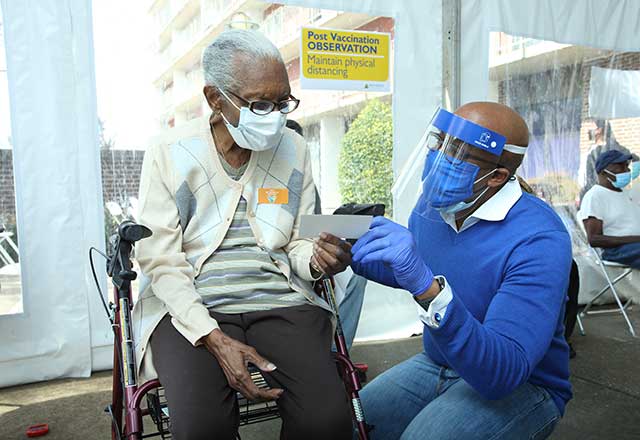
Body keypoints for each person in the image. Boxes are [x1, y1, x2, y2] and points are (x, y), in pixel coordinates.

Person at [133, 30, 354, 440]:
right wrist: (212, 336)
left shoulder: (293, 147)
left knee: (328, 422)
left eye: (283, 102)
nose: (275, 116)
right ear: (215, 99)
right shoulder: (170, 151)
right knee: (202, 430)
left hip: (280, 299)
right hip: (190, 309)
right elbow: (160, 259)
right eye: (260, 104)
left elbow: (298, 242)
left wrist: (319, 260)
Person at [351, 102, 572, 439]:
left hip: (524, 385)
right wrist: (346, 253)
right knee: (346, 423)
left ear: (497, 176)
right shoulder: (434, 206)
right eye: (441, 142)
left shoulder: (539, 238)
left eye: (457, 152)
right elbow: (411, 271)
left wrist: (428, 289)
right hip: (440, 362)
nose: (440, 158)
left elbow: (502, 372)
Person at [578, 150, 640, 269]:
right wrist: (636, 239)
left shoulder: (628, 194)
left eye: (626, 166)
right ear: (603, 172)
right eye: (619, 167)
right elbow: (594, 239)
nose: (627, 171)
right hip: (616, 251)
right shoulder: (595, 196)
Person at [579, 119, 631, 199]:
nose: (588, 132)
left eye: (593, 128)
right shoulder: (591, 152)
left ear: (600, 130)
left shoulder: (612, 149)